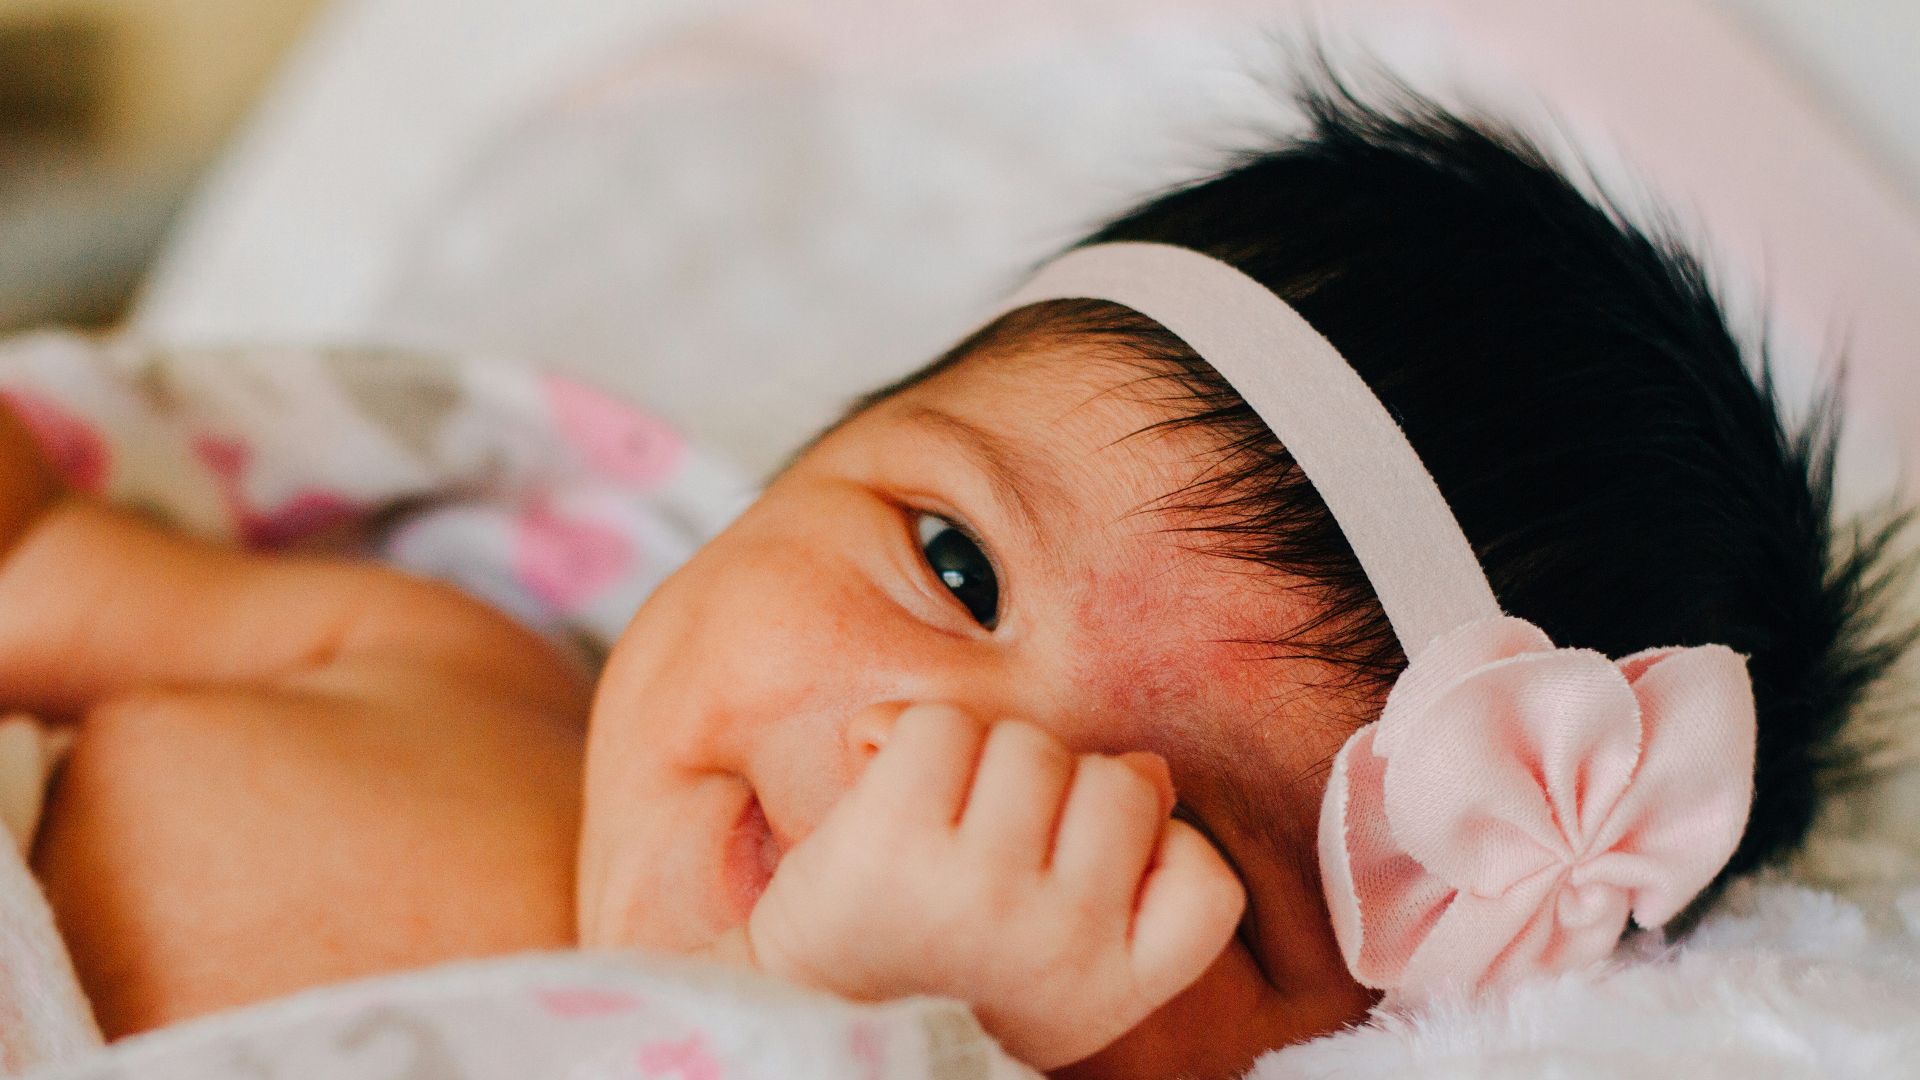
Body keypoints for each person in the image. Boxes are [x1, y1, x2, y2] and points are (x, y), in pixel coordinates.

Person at [5, 73, 1905, 1080]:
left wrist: (837, 1015)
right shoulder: (424, 657)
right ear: (810, 453)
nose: (947, 770)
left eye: (1193, 866)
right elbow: (37, 557)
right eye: (953, 564)